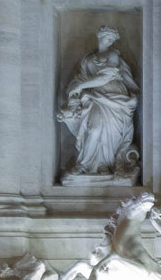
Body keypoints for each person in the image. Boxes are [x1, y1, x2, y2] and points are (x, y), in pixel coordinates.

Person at [57, 27, 139, 176]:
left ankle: (105, 165)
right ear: (99, 36)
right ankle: (84, 164)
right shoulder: (88, 59)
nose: (109, 41)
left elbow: (106, 77)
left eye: (112, 40)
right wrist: (74, 89)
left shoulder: (113, 55)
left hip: (113, 97)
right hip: (94, 98)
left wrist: (81, 86)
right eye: (107, 37)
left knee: (110, 133)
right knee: (94, 129)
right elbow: (81, 78)